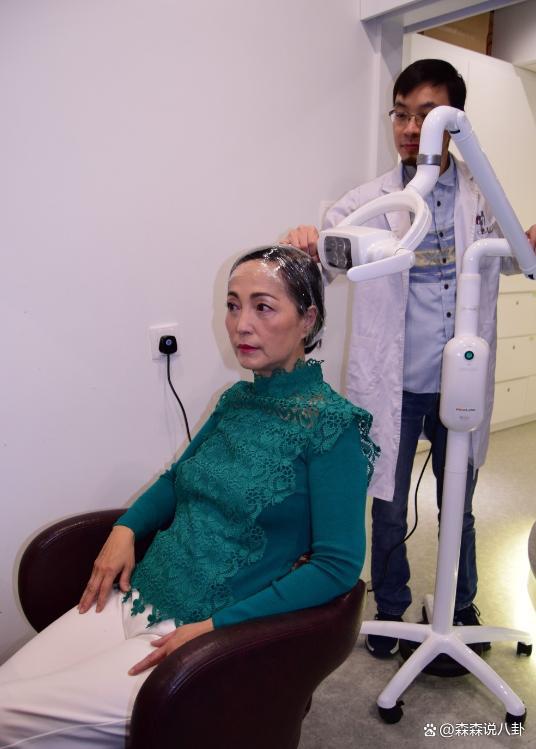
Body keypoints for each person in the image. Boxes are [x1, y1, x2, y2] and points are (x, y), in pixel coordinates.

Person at [0, 244, 379, 748]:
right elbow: (177, 480)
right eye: (233, 305)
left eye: (264, 307)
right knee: (8, 689)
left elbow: (337, 566)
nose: (242, 325)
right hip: (138, 592)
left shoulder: (332, 426)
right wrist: (125, 529)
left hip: (203, 637)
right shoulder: (236, 401)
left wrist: (216, 628)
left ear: (307, 320)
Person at [282, 59, 536, 658]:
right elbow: (328, 260)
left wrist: (526, 244)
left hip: (460, 381)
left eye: (426, 114)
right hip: (395, 383)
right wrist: (306, 242)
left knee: (459, 505)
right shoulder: (369, 201)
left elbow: (509, 258)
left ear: (454, 123)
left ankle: (460, 604)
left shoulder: (481, 194)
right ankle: (391, 608)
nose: (410, 127)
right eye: (401, 113)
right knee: (390, 507)